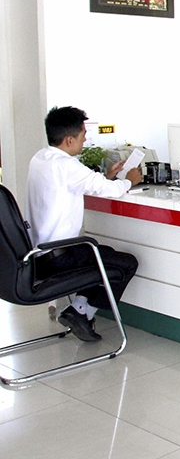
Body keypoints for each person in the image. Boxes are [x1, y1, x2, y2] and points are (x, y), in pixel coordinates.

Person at [26, 106, 141, 342]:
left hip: (39, 255)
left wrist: (108, 177)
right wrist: (129, 181)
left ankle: (79, 309)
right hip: (60, 257)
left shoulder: (40, 159)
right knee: (126, 263)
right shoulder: (66, 165)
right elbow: (110, 190)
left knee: (101, 255)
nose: (85, 139)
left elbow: (78, 185)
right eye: (83, 134)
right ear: (69, 140)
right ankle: (83, 312)